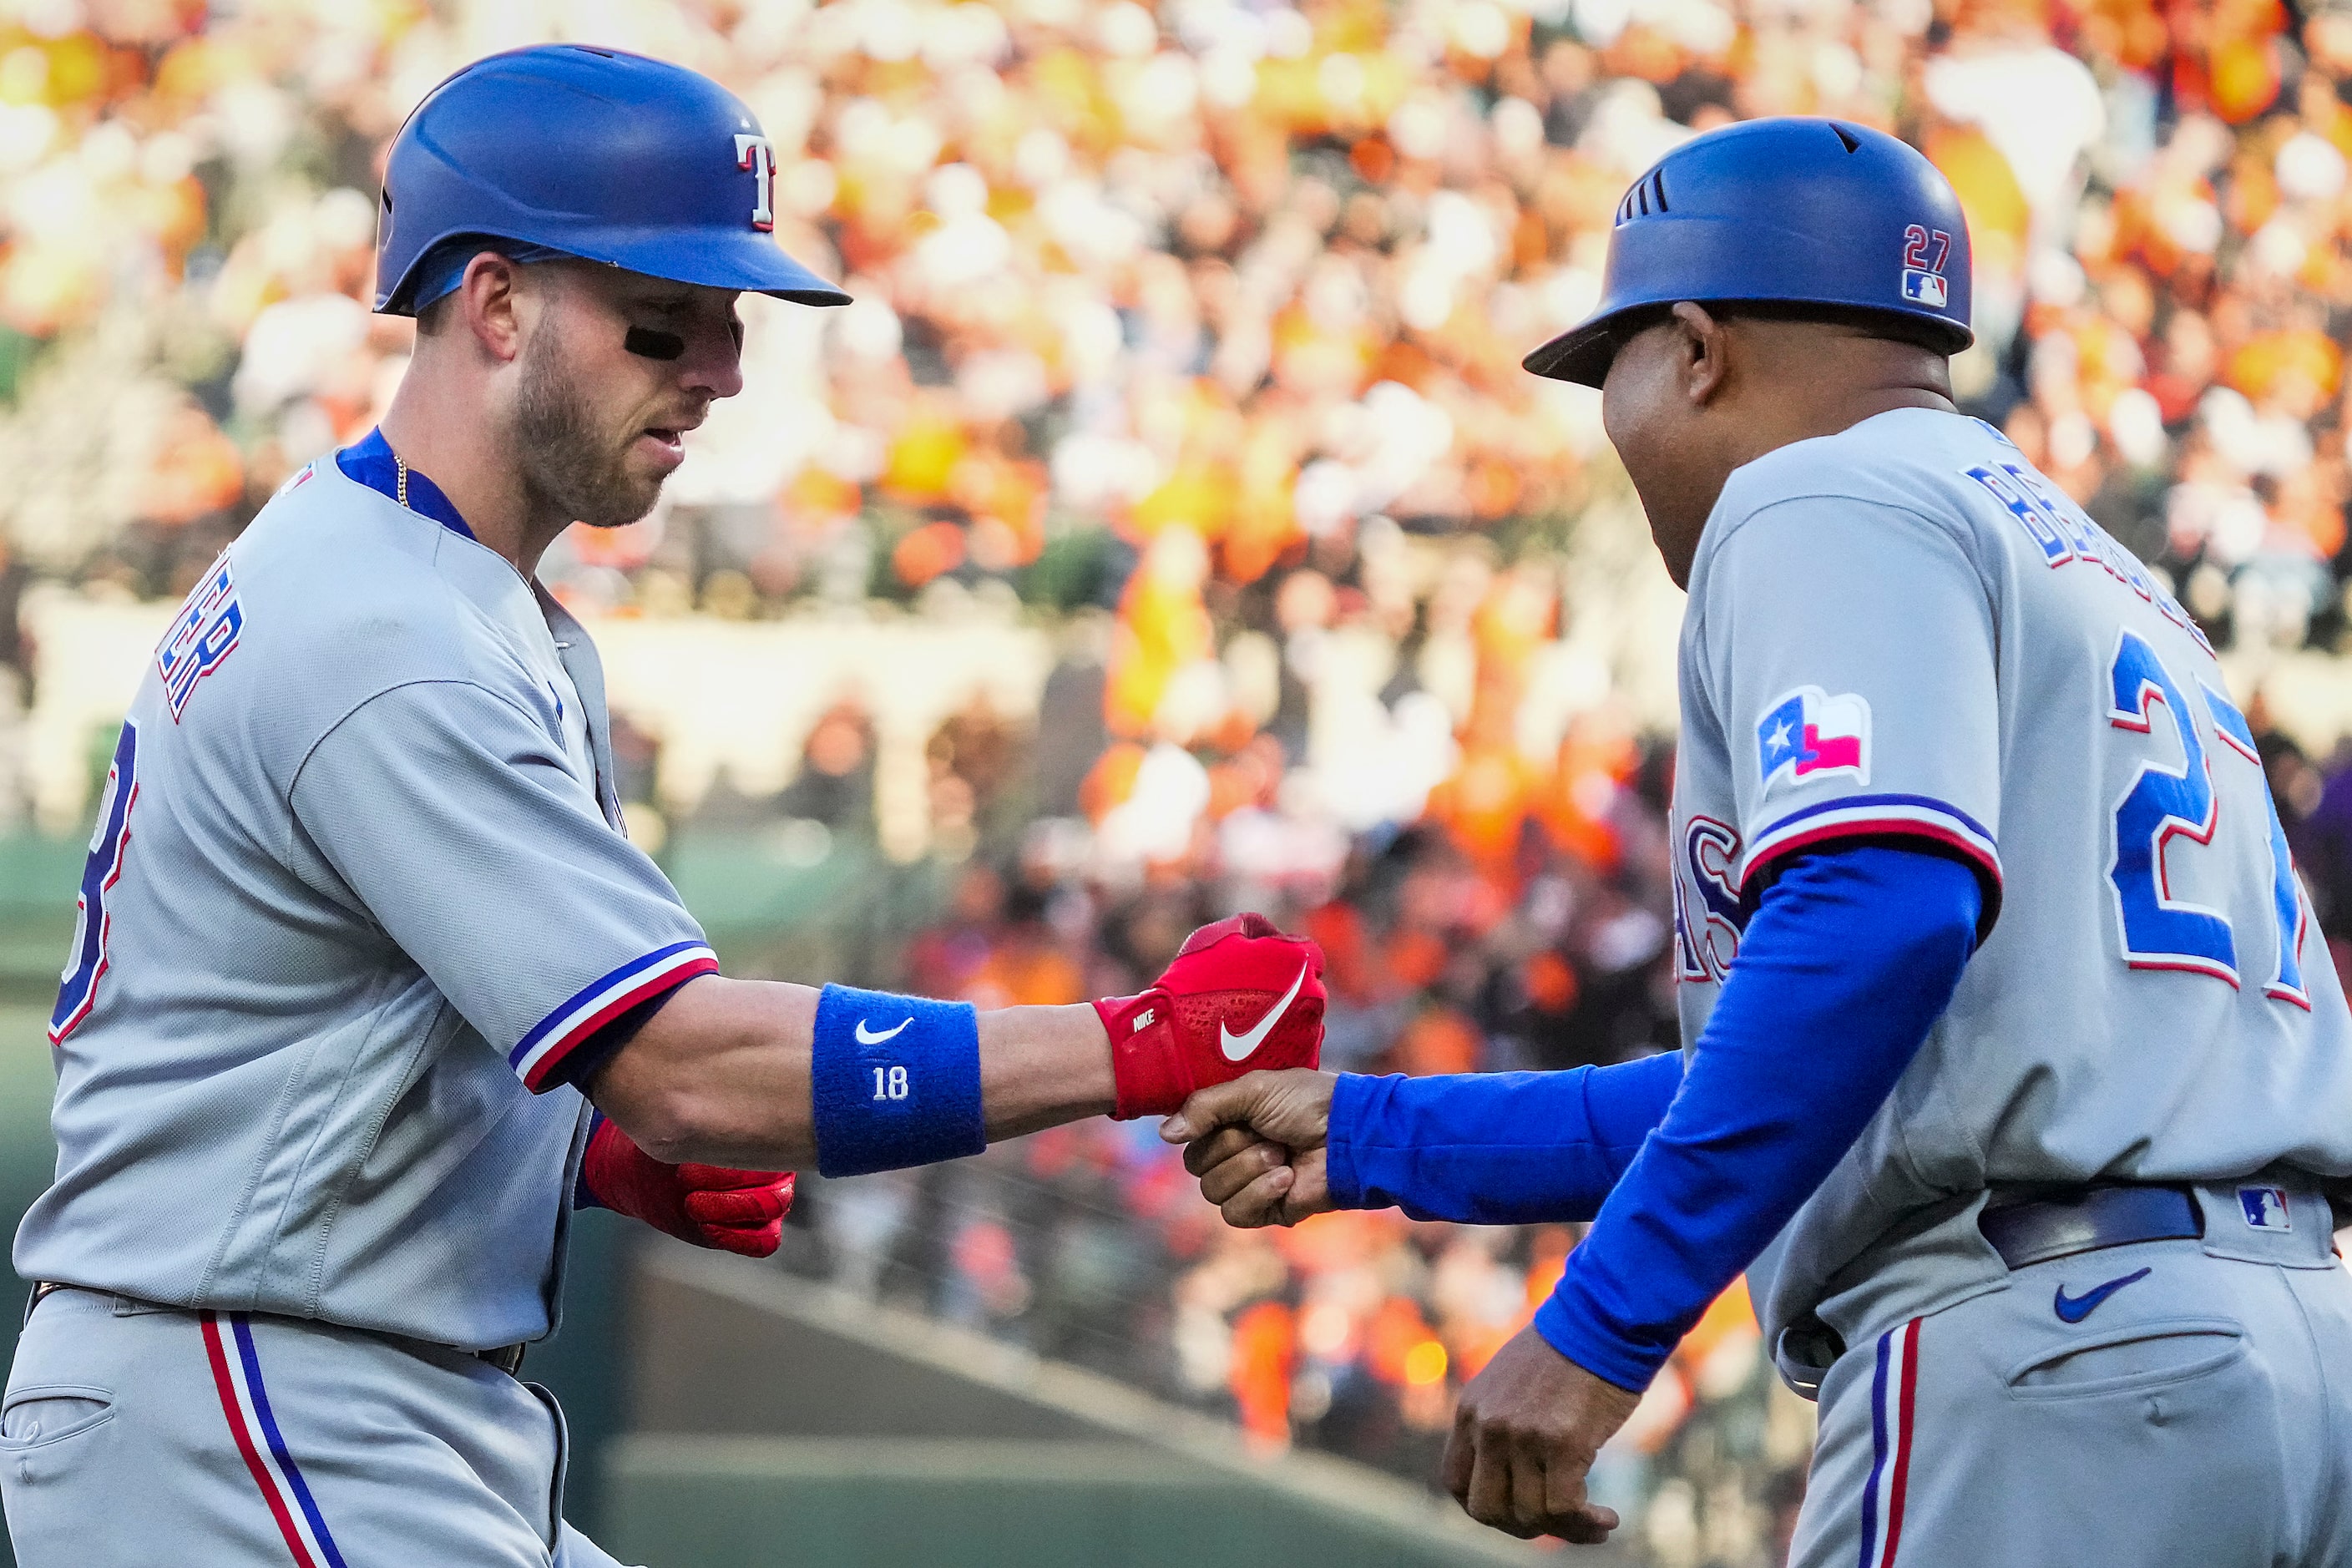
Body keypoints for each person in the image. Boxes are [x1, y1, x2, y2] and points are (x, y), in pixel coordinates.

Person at [0, 47, 1324, 1568]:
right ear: (494, 305)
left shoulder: (418, 584)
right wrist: (1137, 1046)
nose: (720, 367)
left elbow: (338, 1028)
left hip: (313, 1390)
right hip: (248, 1406)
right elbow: (689, 1065)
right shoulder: (385, 636)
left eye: (730, 318)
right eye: (663, 317)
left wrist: (582, 1156)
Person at [1169, 116, 2352, 1565]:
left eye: (1617, 370)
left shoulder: (1817, 487)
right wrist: (1376, 1133)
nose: (1616, 418)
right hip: (2279, 1349)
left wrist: (1602, 1322)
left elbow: (1870, 914)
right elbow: (1839, 1061)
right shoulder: (2091, 561)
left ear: (1695, 345)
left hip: (2052, 1364)